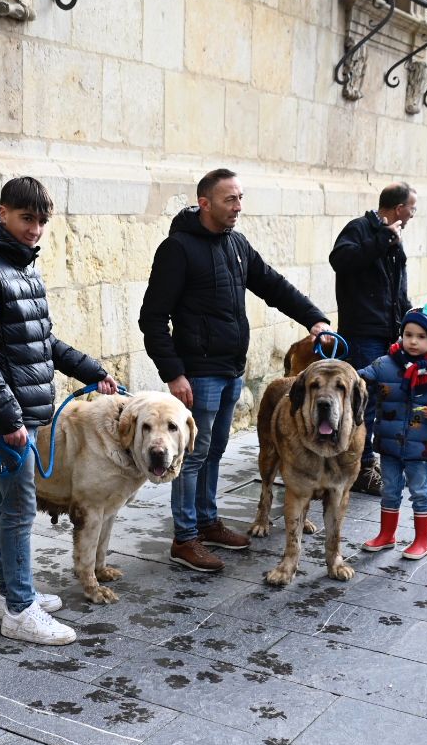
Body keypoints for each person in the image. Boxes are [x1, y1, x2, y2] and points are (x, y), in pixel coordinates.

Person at [140, 168, 330, 574]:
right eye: (230, 199)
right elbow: (152, 318)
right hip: (198, 374)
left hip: (231, 371)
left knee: (214, 450)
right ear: (205, 203)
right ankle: (185, 538)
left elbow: (274, 285)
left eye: (241, 198)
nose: (238, 206)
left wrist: (314, 319)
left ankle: (207, 522)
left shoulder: (237, 244)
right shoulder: (177, 249)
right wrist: (174, 373)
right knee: (191, 456)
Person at [0, 176, 118, 646]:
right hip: (11, 417)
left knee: (7, 503)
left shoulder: (22, 266)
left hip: (24, 413)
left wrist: (92, 371)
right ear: (3, 213)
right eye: (27, 218)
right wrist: (8, 420)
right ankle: (20, 609)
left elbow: (43, 342)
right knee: (20, 509)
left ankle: (9, 594)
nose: (35, 229)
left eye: (42, 221)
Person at [360, 300, 427, 560]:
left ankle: (422, 540)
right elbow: (359, 378)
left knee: (420, 491)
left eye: (421, 336)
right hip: (389, 443)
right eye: (408, 334)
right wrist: (338, 371)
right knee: (390, 489)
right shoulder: (385, 364)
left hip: (421, 446)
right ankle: (387, 534)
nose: (413, 341)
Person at [330, 183, 415, 496]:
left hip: (387, 333)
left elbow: (397, 289)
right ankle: (360, 467)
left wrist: (409, 322)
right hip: (362, 334)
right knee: (362, 401)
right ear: (398, 209)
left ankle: (362, 459)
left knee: (376, 399)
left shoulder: (392, 240)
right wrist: (381, 239)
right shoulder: (360, 229)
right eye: (412, 209)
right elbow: (340, 260)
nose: (413, 215)